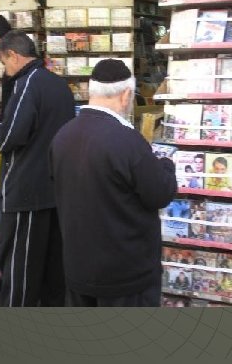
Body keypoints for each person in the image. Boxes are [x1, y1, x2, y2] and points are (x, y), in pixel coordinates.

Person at [49, 59, 177, 307]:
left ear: (90, 92)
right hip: (126, 275)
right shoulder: (127, 141)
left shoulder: (62, 136)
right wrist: (166, 165)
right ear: (126, 94)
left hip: (78, 269)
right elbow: (160, 193)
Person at [0, 31, 75, 307]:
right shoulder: (60, 85)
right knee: (53, 266)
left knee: (20, 266)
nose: (5, 71)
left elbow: (11, 135)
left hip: (27, 190)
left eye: (4, 63)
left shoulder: (27, 84)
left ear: (13, 56)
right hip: (55, 189)